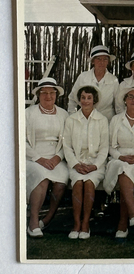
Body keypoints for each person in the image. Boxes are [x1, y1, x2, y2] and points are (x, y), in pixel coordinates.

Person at [103, 87, 134, 239]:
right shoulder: (116, 120)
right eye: (130, 96)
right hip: (118, 159)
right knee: (123, 169)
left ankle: (124, 222)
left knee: (127, 172)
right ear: (125, 100)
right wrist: (120, 156)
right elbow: (109, 145)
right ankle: (132, 212)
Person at [63, 85, 109, 239]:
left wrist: (94, 165)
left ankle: (85, 224)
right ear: (79, 99)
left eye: (89, 98)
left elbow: (104, 148)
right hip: (77, 163)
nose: (86, 101)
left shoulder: (102, 120)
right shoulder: (71, 120)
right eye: (83, 97)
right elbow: (67, 146)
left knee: (89, 183)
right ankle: (76, 223)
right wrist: (75, 164)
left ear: (94, 100)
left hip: (95, 164)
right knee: (77, 183)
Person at [26, 77, 69, 238]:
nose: (48, 96)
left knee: (61, 179)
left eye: (52, 93)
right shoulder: (28, 113)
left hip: (55, 158)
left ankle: (49, 217)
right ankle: (33, 222)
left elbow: (68, 141)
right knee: (41, 177)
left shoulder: (63, 115)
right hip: (32, 158)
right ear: (38, 95)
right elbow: (20, 140)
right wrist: (38, 158)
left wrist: (58, 158)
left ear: (56, 95)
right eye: (44, 93)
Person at [68, 45, 119, 122]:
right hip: (85, 120)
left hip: (106, 121)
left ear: (108, 62)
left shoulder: (113, 80)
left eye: (105, 59)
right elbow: (72, 99)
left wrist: (116, 122)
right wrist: (72, 117)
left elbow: (118, 104)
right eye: (98, 59)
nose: (102, 62)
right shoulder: (83, 77)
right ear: (93, 61)